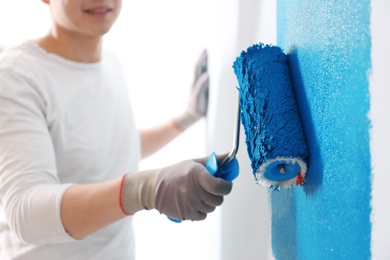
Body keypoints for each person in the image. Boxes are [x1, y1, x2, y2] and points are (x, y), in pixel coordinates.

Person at [0, 0, 238, 259]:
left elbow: (109, 146)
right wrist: (147, 189)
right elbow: (24, 212)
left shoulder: (110, 63)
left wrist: (186, 118)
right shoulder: (15, 76)